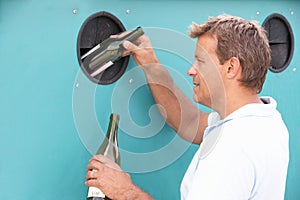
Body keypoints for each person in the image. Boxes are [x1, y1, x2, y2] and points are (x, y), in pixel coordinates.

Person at [85, 14, 289, 200]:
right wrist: (150, 62)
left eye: (201, 62)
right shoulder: (263, 119)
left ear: (231, 68)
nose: (191, 70)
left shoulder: (233, 147)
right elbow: (190, 121)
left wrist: (125, 192)